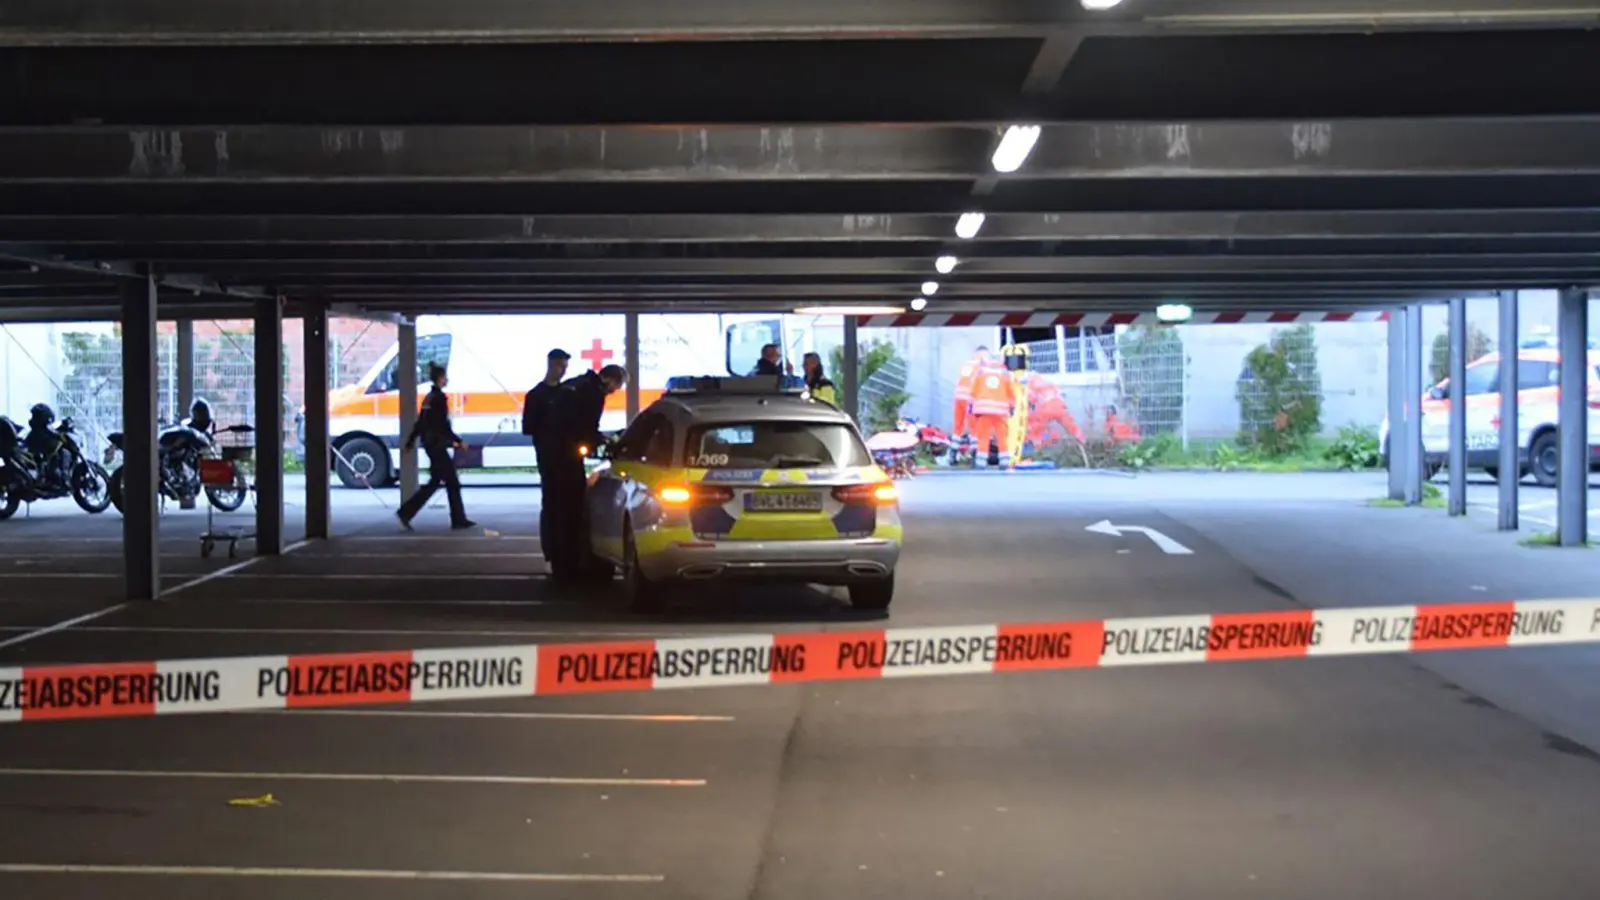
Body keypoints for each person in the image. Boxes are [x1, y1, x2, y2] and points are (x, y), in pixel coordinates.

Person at [547, 363, 628, 579]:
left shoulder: (576, 384)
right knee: (573, 508)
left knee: (556, 508)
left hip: (552, 453)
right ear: (611, 380)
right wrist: (602, 439)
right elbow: (586, 427)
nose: (614, 391)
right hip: (567, 455)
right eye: (617, 386)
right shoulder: (593, 393)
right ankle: (571, 565)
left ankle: (559, 561)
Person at [396, 362, 474, 531]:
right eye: (445, 377)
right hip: (437, 446)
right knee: (451, 482)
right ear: (440, 379)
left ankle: (408, 512)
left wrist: (411, 441)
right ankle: (457, 519)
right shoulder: (439, 399)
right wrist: (458, 441)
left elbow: (420, 423)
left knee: (436, 482)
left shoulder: (429, 398)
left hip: (430, 444)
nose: (446, 380)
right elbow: (442, 426)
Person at [523, 348, 571, 572]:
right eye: (561, 366)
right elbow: (528, 427)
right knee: (551, 504)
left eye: (565, 367)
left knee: (565, 505)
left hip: (566, 458)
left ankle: (565, 550)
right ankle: (551, 550)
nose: (563, 371)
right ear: (551, 365)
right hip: (548, 458)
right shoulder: (536, 396)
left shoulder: (568, 394)